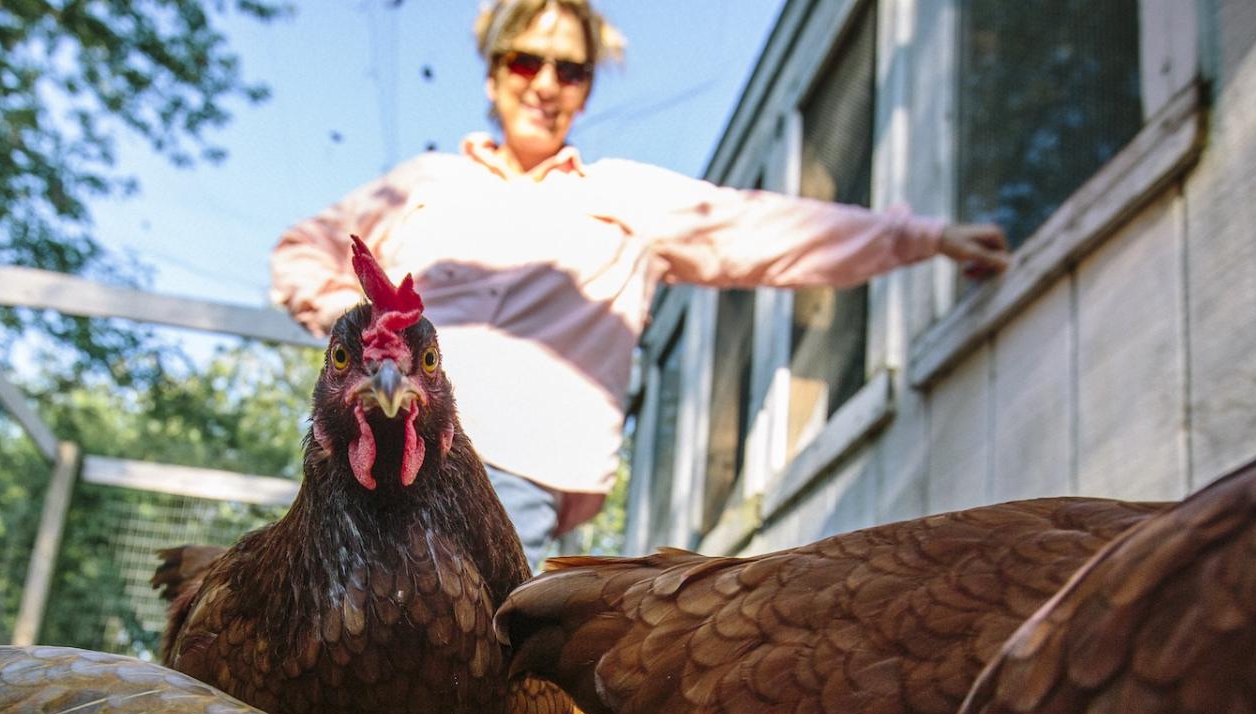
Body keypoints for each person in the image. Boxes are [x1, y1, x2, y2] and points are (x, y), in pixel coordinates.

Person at [271, 0, 1009, 571]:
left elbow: (761, 227)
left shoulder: (625, 198)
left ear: (587, 90)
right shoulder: (423, 185)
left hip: (513, 484)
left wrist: (923, 238)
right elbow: (303, 250)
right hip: (370, 458)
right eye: (525, 61)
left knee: (455, 673)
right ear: (493, 74)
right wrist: (365, 344)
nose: (545, 84)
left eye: (570, 70)